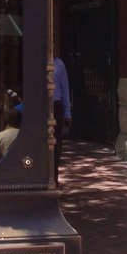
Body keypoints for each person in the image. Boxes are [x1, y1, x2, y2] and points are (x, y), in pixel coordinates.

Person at [52, 55, 71, 186]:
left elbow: (65, 89)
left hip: (55, 105)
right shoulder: (36, 60)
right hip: (40, 106)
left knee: (56, 145)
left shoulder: (59, 64)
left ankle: (54, 180)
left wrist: (67, 113)